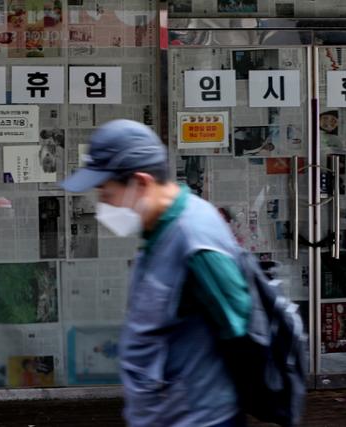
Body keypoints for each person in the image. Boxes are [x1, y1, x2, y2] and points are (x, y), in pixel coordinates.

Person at [62, 119, 251, 427]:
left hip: (197, 416)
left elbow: (240, 326)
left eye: (106, 192)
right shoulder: (161, 228)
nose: (102, 203)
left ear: (141, 182)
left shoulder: (193, 238)